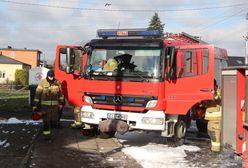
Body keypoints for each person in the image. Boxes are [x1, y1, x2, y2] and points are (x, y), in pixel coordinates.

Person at [33, 70, 65, 139]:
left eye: (52, 76)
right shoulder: (42, 82)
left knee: (54, 122)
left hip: (54, 107)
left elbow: (60, 94)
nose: (51, 78)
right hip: (45, 107)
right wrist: (35, 105)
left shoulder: (57, 82)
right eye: (50, 76)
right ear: (47, 76)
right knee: (46, 122)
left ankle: (51, 134)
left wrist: (61, 103)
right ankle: (47, 136)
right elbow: (38, 94)